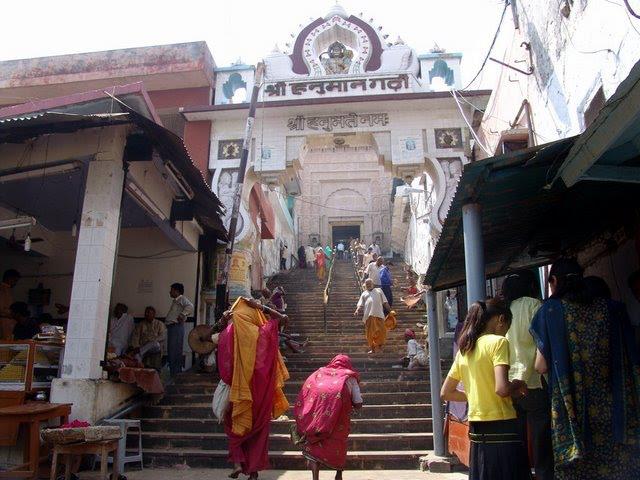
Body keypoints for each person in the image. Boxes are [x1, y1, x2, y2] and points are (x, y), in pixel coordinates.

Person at [530, 259, 640, 479]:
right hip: (616, 409)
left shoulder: (551, 312)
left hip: (573, 414)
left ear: (554, 281)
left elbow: (540, 366)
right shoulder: (612, 309)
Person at [441, 298, 531, 480]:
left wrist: (476, 394)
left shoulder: (465, 350)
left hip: (476, 428)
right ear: (500, 319)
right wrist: (518, 384)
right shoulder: (498, 343)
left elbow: (446, 392)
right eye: (507, 325)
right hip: (503, 424)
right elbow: (502, 389)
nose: (506, 331)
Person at [217, 297, 290, 480]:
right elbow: (284, 318)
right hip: (260, 391)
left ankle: (237, 462)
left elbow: (224, 366)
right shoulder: (262, 333)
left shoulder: (230, 332)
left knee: (235, 426)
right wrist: (261, 307)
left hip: (238, 390)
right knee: (258, 433)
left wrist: (224, 321)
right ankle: (254, 473)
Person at [502, 271, 553, 480]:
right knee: (541, 435)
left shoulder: (503, 311)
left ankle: (520, 474)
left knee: (518, 435)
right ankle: (543, 474)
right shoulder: (535, 305)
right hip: (534, 380)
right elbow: (543, 339)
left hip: (511, 382)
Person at [294, 354, 362, 480]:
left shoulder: (319, 373)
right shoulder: (350, 378)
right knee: (338, 446)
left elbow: (307, 392)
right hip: (338, 422)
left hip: (317, 420)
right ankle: (338, 475)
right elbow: (358, 402)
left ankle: (315, 477)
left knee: (315, 448)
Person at [354, 279, 390, 354]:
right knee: (370, 334)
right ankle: (373, 349)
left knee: (381, 333)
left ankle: (379, 348)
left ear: (373, 284)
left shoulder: (379, 290)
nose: (368, 285)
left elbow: (385, 302)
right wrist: (357, 310)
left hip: (379, 314)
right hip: (368, 316)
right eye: (367, 284)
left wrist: (390, 311)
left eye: (369, 283)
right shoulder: (364, 293)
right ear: (365, 285)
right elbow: (360, 304)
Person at [166, 283, 194, 377]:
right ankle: (173, 373)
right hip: (172, 327)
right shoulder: (176, 301)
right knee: (171, 350)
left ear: (177, 291)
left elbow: (190, 306)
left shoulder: (181, 298)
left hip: (176, 327)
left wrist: (183, 314)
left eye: (172, 290)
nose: (170, 292)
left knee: (175, 351)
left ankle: (176, 374)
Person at [130, 306, 167, 370]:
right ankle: (140, 370)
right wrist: (136, 346)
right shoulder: (141, 324)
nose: (146, 314)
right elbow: (135, 337)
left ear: (153, 314)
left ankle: (140, 353)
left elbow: (163, 336)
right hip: (143, 346)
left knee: (155, 343)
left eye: (149, 313)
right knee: (136, 357)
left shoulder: (159, 324)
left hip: (155, 347)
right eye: (146, 313)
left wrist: (150, 340)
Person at [0, 269, 20, 340]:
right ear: (9, 278)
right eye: (15, 281)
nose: (15, 283)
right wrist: (13, 314)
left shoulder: (8, 290)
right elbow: (1, 309)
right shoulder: (2, 290)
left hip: (9, 322)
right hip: (5, 322)